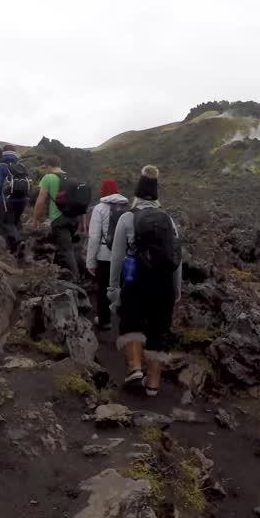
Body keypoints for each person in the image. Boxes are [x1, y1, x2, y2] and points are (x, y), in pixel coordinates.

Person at [107, 165, 181, 395]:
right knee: (159, 331)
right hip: (164, 283)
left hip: (135, 278)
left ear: (136, 196)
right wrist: (176, 290)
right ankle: (153, 385)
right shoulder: (169, 220)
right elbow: (177, 257)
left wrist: (113, 287)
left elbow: (117, 256)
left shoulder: (127, 218)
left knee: (131, 321)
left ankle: (135, 368)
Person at [85, 178, 129, 330]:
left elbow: (94, 237)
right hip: (124, 255)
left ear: (103, 191)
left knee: (104, 288)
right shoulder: (127, 207)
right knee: (123, 287)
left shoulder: (100, 208)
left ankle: (104, 321)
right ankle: (125, 320)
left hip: (105, 255)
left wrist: (90, 261)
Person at [29, 155, 82, 277]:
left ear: (48, 166)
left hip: (59, 219)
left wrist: (35, 218)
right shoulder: (72, 177)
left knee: (66, 250)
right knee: (68, 247)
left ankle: (75, 280)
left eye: (45, 167)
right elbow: (79, 201)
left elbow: (40, 200)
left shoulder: (48, 177)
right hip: (74, 218)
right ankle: (71, 272)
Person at [0, 146, 30, 256]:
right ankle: (15, 248)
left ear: (3, 154)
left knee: (7, 223)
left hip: (8, 200)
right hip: (22, 200)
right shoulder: (21, 167)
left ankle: (17, 243)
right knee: (15, 221)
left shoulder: (2, 167)